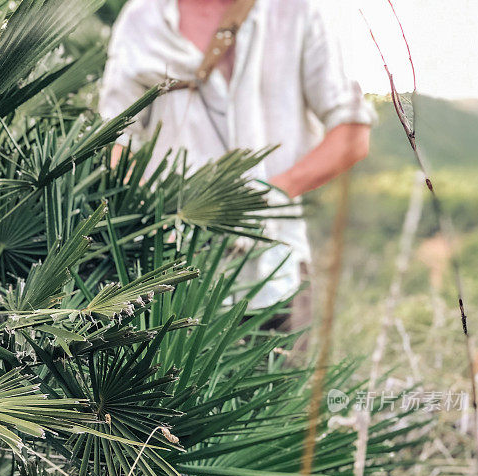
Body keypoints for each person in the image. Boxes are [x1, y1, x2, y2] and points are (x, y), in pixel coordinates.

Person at [99, 0, 375, 318]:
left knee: (282, 366)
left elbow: (353, 133)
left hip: (276, 269)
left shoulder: (297, 11)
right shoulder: (142, 18)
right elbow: (115, 141)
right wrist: (156, 214)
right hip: (165, 278)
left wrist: (269, 195)